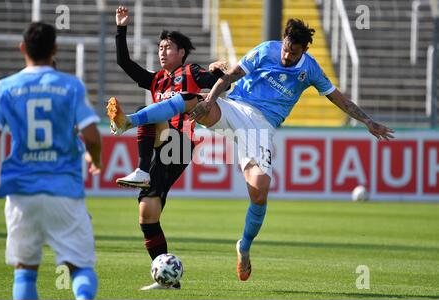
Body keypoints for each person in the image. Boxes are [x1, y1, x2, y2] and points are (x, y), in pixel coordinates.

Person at [109, 18, 394, 281]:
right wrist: (211, 99)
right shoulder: (266, 50)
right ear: (282, 41)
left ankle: (244, 247)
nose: (286, 56)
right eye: (285, 49)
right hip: (235, 108)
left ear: (304, 50)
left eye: (293, 53)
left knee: (259, 190)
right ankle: (129, 122)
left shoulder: (311, 70)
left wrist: (368, 121)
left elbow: (339, 100)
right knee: (190, 100)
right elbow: (231, 75)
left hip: (261, 127)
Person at [114, 6, 226, 290]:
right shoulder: (156, 80)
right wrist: (121, 29)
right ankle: (167, 279)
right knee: (147, 213)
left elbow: (219, 85)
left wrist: (217, 72)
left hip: (179, 142)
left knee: (147, 109)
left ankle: (141, 168)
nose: (162, 52)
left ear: (182, 53)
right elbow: (124, 63)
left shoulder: (191, 71)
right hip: (163, 143)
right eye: (160, 47)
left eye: (168, 47)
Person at [0, 22, 102, 299]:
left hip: (21, 191)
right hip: (63, 189)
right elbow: (92, 136)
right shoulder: (71, 86)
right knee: (80, 268)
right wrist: (95, 160)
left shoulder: (4, 88)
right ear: (55, 49)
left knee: (25, 271)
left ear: (22, 48)